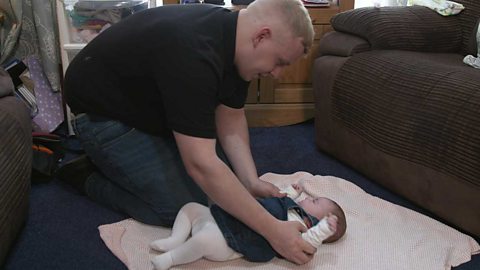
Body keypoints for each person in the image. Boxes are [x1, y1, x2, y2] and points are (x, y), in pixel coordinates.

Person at [60, 0, 316, 264]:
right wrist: (274, 231)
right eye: (279, 62)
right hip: (103, 116)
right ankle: (86, 174)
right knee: (187, 207)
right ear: (261, 36)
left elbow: (230, 114)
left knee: (230, 190)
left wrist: (250, 181)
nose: (277, 73)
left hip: (150, 107)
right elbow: (201, 165)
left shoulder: (234, 40)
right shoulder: (194, 52)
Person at [149, 183, 347, 270]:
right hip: (228, 217)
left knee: (203, 239)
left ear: (315, 219)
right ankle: (174, 240)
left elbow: (309, 241)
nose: (310, 198)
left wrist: (324, 230)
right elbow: (279, 202)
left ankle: (172, 258)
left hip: (233, 241)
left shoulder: (303, 228)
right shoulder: (293, 207)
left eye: (316, 201)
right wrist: (290, 192)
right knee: (190, 208)